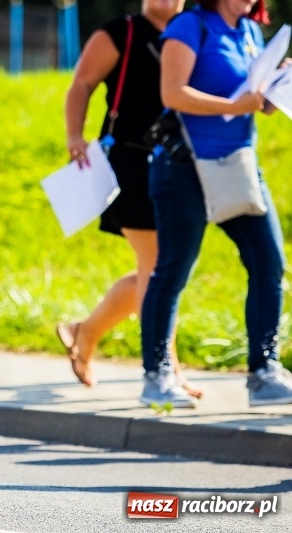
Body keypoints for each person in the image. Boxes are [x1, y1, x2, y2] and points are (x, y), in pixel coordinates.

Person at [140, 0, 292, 407]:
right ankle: (157, 376)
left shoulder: (250, 32)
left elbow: (253, 101)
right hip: (182, 169)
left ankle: (264, 372)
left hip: (237, 168)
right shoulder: (190, 25)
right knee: (173, 269)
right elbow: (172, 92)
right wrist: (232, 106)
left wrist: (277, 88)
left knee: (268, 261)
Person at [57, 0, 201, 397]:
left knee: (156, 271)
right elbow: (81, 83)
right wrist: (74, 136)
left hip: (180, 164)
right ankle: (165, 367)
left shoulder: (192, 30)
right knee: (157, 270)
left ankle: (83, 332)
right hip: (129, 163)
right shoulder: (121, 32)